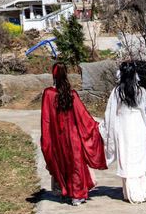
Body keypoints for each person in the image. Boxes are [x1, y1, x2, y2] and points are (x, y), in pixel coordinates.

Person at [40, 62, 107, 205]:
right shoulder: (72, 94)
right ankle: (77, 195)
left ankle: (67, 192)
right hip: (73, 137)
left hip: (57, 138)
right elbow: (83, 116)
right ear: (66, 74)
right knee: (76, 165)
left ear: (53, 75)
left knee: (62, 163)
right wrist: (96, 126)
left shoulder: (48, 94)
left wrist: (46, 138)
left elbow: (45, 120)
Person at [101, 60, 146, 203]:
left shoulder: (117, 92)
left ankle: (130, 192)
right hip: (138, 126)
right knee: (139, 158)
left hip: (124, 127)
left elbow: (110, 112)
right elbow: (145, 110)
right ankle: (141, 190)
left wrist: (105, 127)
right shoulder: (141, 91)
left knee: (127, 158)